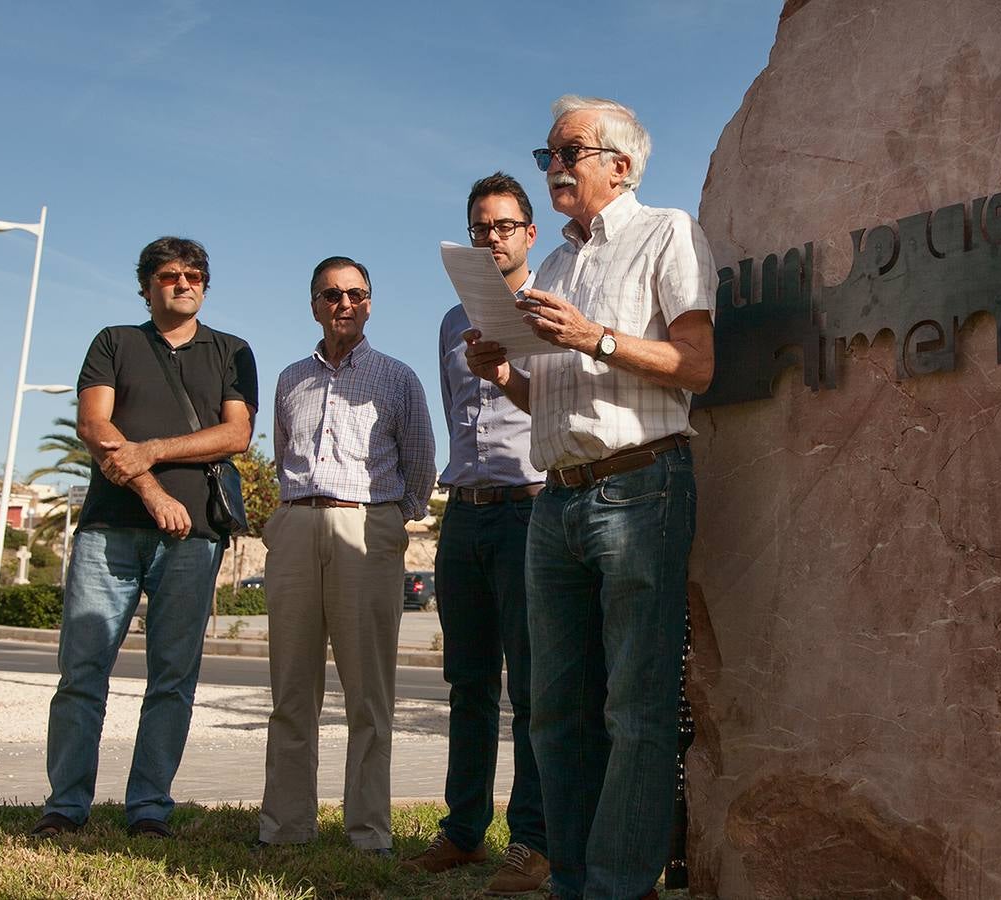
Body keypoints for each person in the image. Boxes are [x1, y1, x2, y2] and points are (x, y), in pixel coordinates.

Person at [465, 95, 716, 899]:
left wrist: (593, 337)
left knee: (636, 714)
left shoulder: (666, 231)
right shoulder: (555, 267)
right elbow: (557, 403)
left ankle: (618, 885)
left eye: (567, 152)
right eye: (547, 156)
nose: (554, 169)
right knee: (552, 715)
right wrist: (503, 372)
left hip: (642, 488)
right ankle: (571, 881)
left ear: (621, 163)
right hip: (558, 500)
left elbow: (698, 365)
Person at [31, 236, 257, 839]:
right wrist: (154, 491)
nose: (183, 283)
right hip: (110, 531)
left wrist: (151, 450)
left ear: (206, 285)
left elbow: (236, 436)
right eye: (168, 275)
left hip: (195, 537)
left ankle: (149, 807)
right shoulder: (115, 342)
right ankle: (65, 806)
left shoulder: (232, 351)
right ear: (146, 285)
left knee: (172, 677)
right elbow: (94, 424)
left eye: (194, 275)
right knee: (82, 672)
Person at [258, 256, 435, 854]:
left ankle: (368, 833)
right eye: (331, 295)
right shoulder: (289, 379)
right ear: (313, 303)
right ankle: (285, 830)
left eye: (356, 294)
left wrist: (389, 521)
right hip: (296, 526)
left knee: (368, 695)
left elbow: (421, 463)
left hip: (367, 530)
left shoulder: (398, 377)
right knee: (290, 691)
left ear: (370, 301)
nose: (344, 304)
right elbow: (283, 454)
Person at [404, 173, 549, 893]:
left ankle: (531, 841)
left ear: (530, 233)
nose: (490, 238)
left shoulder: (553, 306)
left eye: (503, 226)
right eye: (479, 227)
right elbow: (453, 413)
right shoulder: (447, 322)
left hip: (530, 510)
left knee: (530, 684)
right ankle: (462, 832)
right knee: (465, 681)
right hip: (464, 513)